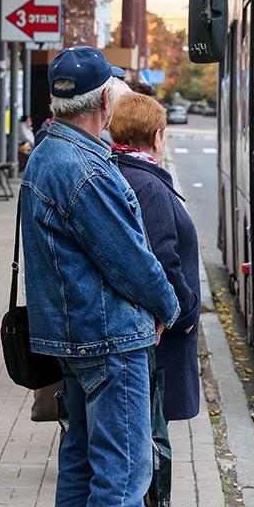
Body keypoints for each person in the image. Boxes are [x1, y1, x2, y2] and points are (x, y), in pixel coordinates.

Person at [21, 46, 180, 507]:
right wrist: (168, 309)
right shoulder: (85, 168)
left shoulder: (47, 154)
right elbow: (130, 260)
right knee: (123, 479)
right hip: (109, 338)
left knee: (81, 464)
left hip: (75, 336)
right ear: (105, 104)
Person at [109, 93, 202, 421]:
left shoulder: (117, 171)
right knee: (150, 432)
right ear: (156, 138)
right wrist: (186, 313)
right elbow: (163, 257)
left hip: (146, 327)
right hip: (163, 333)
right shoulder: (147, 184)